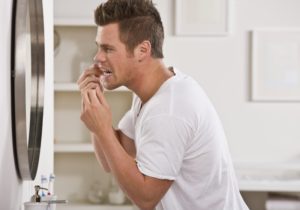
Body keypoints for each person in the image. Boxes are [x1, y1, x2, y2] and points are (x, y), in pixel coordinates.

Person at [77, 0, 249, 209]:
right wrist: (94, 103)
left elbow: (146, 198)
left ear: (142, 50)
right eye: (99, 47)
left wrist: (102, 128)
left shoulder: (169, 109)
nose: (97, 57)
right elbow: (109, 159)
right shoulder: (151, 93)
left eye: (108, 49)